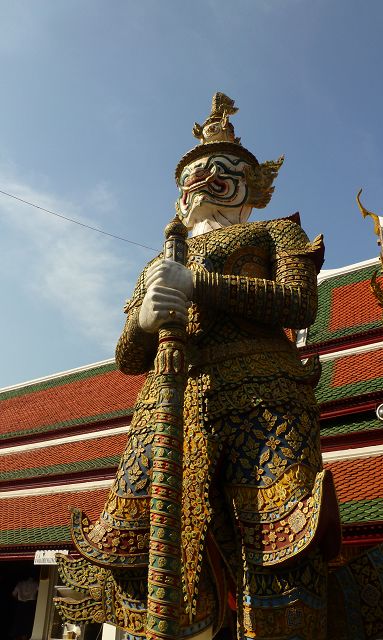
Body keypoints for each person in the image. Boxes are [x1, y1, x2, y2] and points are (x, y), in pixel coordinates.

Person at [69, 94, 340, 640]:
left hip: (263, 394)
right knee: (144, 549)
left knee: (278, 544)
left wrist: (200, 283)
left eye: (217, 172)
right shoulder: (160, 262)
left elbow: (299, 303)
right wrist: (143, 319)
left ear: (250, 184)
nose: (198, 182)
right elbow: (128, 358)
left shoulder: (273, 233)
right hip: (167, 404)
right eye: (190, 176)